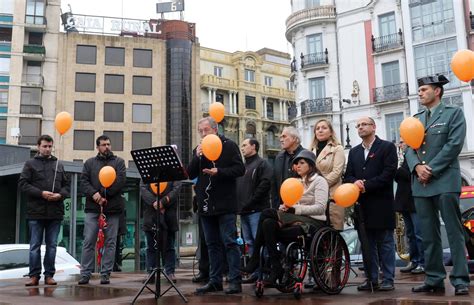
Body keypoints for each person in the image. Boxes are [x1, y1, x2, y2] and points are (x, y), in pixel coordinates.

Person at [406, 75, 470, 296]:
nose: (420, 93)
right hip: (421, 184)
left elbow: (454, 145)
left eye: (424, 89)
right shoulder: (416, 119)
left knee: (454, 231)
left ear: (437, 91)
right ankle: (434, 278)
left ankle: (460, 279)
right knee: (427, 233)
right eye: (420, 89)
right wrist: (416, 168)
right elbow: (408, 148)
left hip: (444, 180)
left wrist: (429, 169)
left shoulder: (453, 114)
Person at [242, 150, 329, 284]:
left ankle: (254, 259)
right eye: (296, 164)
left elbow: (320, 208)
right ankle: (276, 267)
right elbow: (292, 201)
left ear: (311, 165)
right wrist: (286, 207)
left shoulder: (319, 181)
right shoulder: (296, 182)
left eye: (301, 163)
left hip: (313, 223)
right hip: (294, 221)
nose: (297, 166)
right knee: (268, 224)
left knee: (266, 213)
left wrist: (295, 209)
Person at [187, 117, 245, 294]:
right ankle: (215, 280)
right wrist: (197, 157)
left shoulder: (229, 145)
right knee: (211, 244)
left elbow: (240, 169)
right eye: (201, 131)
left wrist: (219, 172)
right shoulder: (199, 150)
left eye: (206, 130)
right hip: (206, 203)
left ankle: (235, 281)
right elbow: (190, 174)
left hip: (225, 203)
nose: (203, 134)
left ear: (215, 129)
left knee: (229, 242)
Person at [344, 117, 397, 291]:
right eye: (357, 125)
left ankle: (388, 278)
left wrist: (366, 185)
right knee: (367, 244)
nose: (360, 127)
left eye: (364, 124)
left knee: (385, 243)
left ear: (373, 127)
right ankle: (371, 278)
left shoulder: (387, 147)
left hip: (381, 203)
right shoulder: (354, 152)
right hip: (362, 206)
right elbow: (348, 175)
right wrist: (355, 183)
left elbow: (388, 174)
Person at [19, 135, 69, 286]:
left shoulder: (59, 164)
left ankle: (49, 276)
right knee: (34, 246)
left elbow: (67, 186)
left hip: (55, 212)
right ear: (38, 147)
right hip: (36, 212)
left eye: (49, 146)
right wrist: (41, 193)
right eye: (45, 146)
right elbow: (23, 184)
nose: (47, 149)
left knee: (52, 246)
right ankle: (34, 276)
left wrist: (60, 195)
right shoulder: (30, 164)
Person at [78, 135, 126, 285]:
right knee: (88, 241)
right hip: (93, 209)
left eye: (109, 144)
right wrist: (95, 195)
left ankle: (105, 274)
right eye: (103, 144)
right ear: (97, 147)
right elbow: (84, 182)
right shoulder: (89, 163)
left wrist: (105, 195)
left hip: (112, 209)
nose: (107, 147)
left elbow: (120, 181)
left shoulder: (119, 162)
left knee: (111, 242)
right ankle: (85, 274)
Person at [236, 138, 273, 283]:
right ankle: (256, 272)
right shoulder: (243, 167)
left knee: (260, 243)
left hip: (257, 211)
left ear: (254, 147)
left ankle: (265, 272)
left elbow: (264, 186)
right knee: (250, 243)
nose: (242, 148)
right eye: (242, 145)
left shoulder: (263, 164)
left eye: (245, 145)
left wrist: (250, 203)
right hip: (244, 212)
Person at [141, 181, 182, 283]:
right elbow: (143, 188)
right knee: (150, 247)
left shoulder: (172, 169)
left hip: (168, 214)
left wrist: (162, 202)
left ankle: (170, 272)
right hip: (150, 214)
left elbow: (176, 189)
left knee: (169, 246)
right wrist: (154, 203)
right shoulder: (148, 169)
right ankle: (150, 271)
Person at [395, 141, 424, 275]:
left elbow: (411, 174)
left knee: (419, 233)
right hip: (404, 200)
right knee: (410, 234)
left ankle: (423, 262)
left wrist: (398, 170)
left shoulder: (415, 155)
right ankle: (414, 260)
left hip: (414, 198)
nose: (400, 144)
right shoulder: (403, 157)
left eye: (402, 141)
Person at [310, 119, 345, 230]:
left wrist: (320, 186)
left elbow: (337, 172)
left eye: (324, 128)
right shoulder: (310, 151)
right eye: (317, 128)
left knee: (332, 232)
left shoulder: (337, 148)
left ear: (331, 132)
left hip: (331, 194)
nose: (320, 130)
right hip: (313, 196)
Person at [272, 126, 305, 209]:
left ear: (294, 138)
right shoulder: (279, 157)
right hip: (281, 206)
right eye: (280, 137)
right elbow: (275, 184)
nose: (281, 140)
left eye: (284, 136)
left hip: (301, 207)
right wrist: (276, 206)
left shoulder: (306, 156)